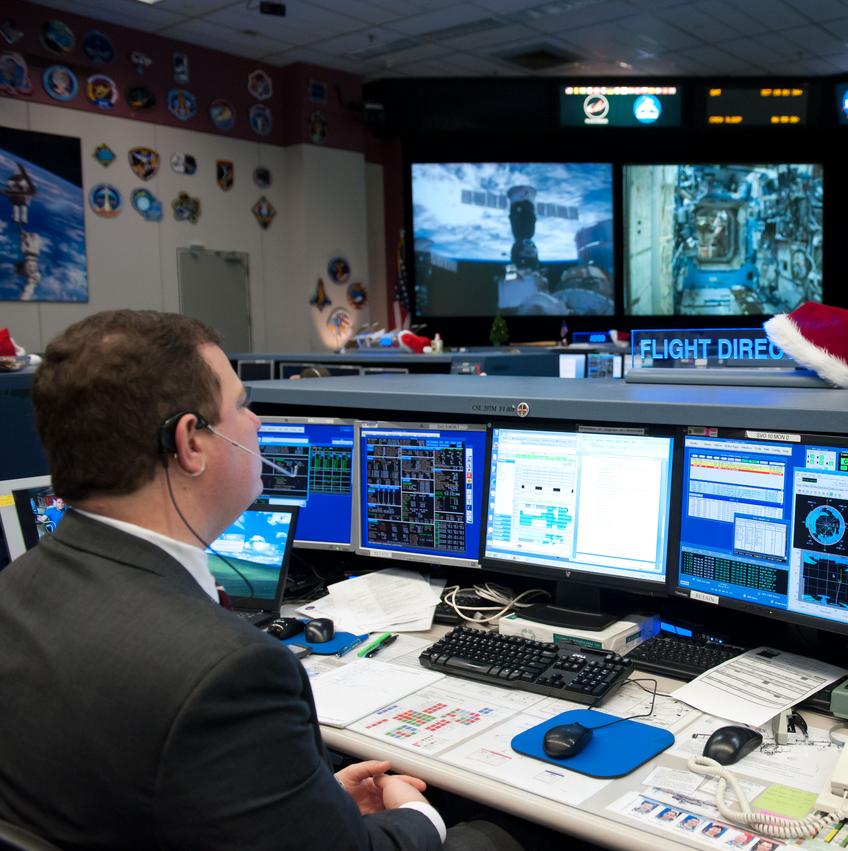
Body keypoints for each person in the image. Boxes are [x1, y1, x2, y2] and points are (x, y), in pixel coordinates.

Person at [0, 310, 518, 850]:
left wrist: (302, 799)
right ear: (190, 443)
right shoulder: (230, 673)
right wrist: (417, 815)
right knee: (491, 837)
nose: (258, 424)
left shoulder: (15, 594)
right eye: (243, 405)